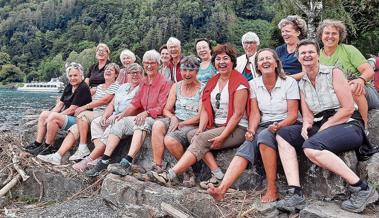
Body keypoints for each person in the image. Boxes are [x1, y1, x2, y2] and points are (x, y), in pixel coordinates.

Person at [275, 39, 378, 213]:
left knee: (311, 147)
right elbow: (307, 115)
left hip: (348, 124)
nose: (307, 55)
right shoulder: (302, 83)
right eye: (303, 53)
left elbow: (346, 108)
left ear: (317, 54)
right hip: (320, 122)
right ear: (298, 57)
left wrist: (325, 127)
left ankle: (361, 188)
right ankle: (296, 193)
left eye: (311, 52)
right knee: (283, 134)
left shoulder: (334, 73)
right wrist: (305, 126)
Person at [152, 43, 250, 187]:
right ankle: (217, 174)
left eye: (225, 59)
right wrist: (200, 128)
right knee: (193, 135)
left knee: (201, 138)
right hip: (217, 124)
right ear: (214, 62)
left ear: (232, 61)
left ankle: (170, 174)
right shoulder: (213, 82)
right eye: (218, 59)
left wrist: (222, 136)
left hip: (236, 128)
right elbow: (205, 109)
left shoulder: (240, 83)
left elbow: (238, 114)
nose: (221, 62)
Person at [208, 49, 299, 203]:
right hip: (264, 124)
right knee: (248, 142)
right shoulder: (253, 84)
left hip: (288, 124)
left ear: (276, 62)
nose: (265, 61)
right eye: (261, 59)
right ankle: (222, 189)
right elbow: (255, 113)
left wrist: (279, 125)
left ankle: (272, 189)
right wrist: (251, 129)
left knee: (263, 136)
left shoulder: (289, 82)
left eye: (268, 58)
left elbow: (293, 115)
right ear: (257, 65)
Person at [85, 50, 171, 177]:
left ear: (158, 64)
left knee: (140, 122)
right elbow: (135, 103)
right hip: (144, 116)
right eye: (146, 63)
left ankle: (127, 162)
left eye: (152, 63)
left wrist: (146, 112)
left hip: (157, 118)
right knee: (119, 122)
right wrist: (122, 114)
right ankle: (104, 160)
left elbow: (161, 107)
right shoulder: (144, 82)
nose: (148, 66)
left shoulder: (164, 83)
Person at [37, 63, 120, 164]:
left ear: (116, 74)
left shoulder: (117, 86)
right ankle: (57, 156)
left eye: (111, 70)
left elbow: (105, 100)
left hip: (103, 114)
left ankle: (82, 148)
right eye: (106, 69)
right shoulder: (99, 87)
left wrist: (85, 107)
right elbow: (91, 98)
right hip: (92, 115)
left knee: (81, 115)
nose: (107, 71)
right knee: (75, 129)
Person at [72, 63, 143, 172]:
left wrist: (116, 117)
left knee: (111, 127)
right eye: (131, 73)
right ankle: (99, 156)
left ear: (142, 75)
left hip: (126, 118)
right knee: (96, 122)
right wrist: (105, 116)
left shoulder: (141, 88)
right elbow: (111, 104)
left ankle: (88, 160)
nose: (134, 75)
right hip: (115, 114)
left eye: (137, 73)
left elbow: (135, 107)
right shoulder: (123, 87)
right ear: (127, 75)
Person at [150, 56, 204, 186]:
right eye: (184, 70)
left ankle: (188, 171)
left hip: (191, 123)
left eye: (191, 70)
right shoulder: (176, 86)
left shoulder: (203, 88)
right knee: (157, 125)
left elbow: (200, 116)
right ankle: (158, 166)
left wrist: (182, 123)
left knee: (170, 140)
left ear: (197, 72)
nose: (187, 74)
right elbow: (167, 109)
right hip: (177, 118)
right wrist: (173, 118)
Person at [318, 19, 379, 130]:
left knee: (352, 87)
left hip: (364, 92)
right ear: (321, 35)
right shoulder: (317, 56)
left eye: (334, 33)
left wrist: (360, 80)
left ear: (340, 36)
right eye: (327, 33)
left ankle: (364, 126)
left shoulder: (348, 50)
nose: (330, 36)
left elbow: (369, 71)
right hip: (336, 96)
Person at [24, 63, 91, 155]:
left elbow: (72, 109)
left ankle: (48, 147)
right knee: (44, 114)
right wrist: (50, 114)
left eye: (75, 75)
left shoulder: (83, 87)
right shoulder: (69, 86)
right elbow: (60, 104)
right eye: (70, 76)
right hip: (69, 117)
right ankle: (38, 143)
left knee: (54, 117)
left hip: (79, 119)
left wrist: (53, 116)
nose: (72, 78)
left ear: (81, 75)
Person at [276, 15, 307, 80]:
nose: (284, 34)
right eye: (282, 31)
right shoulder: (279, 50)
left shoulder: (305, 48)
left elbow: (306, 73)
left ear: (298, 33)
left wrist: (287, 79)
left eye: (287, 31)